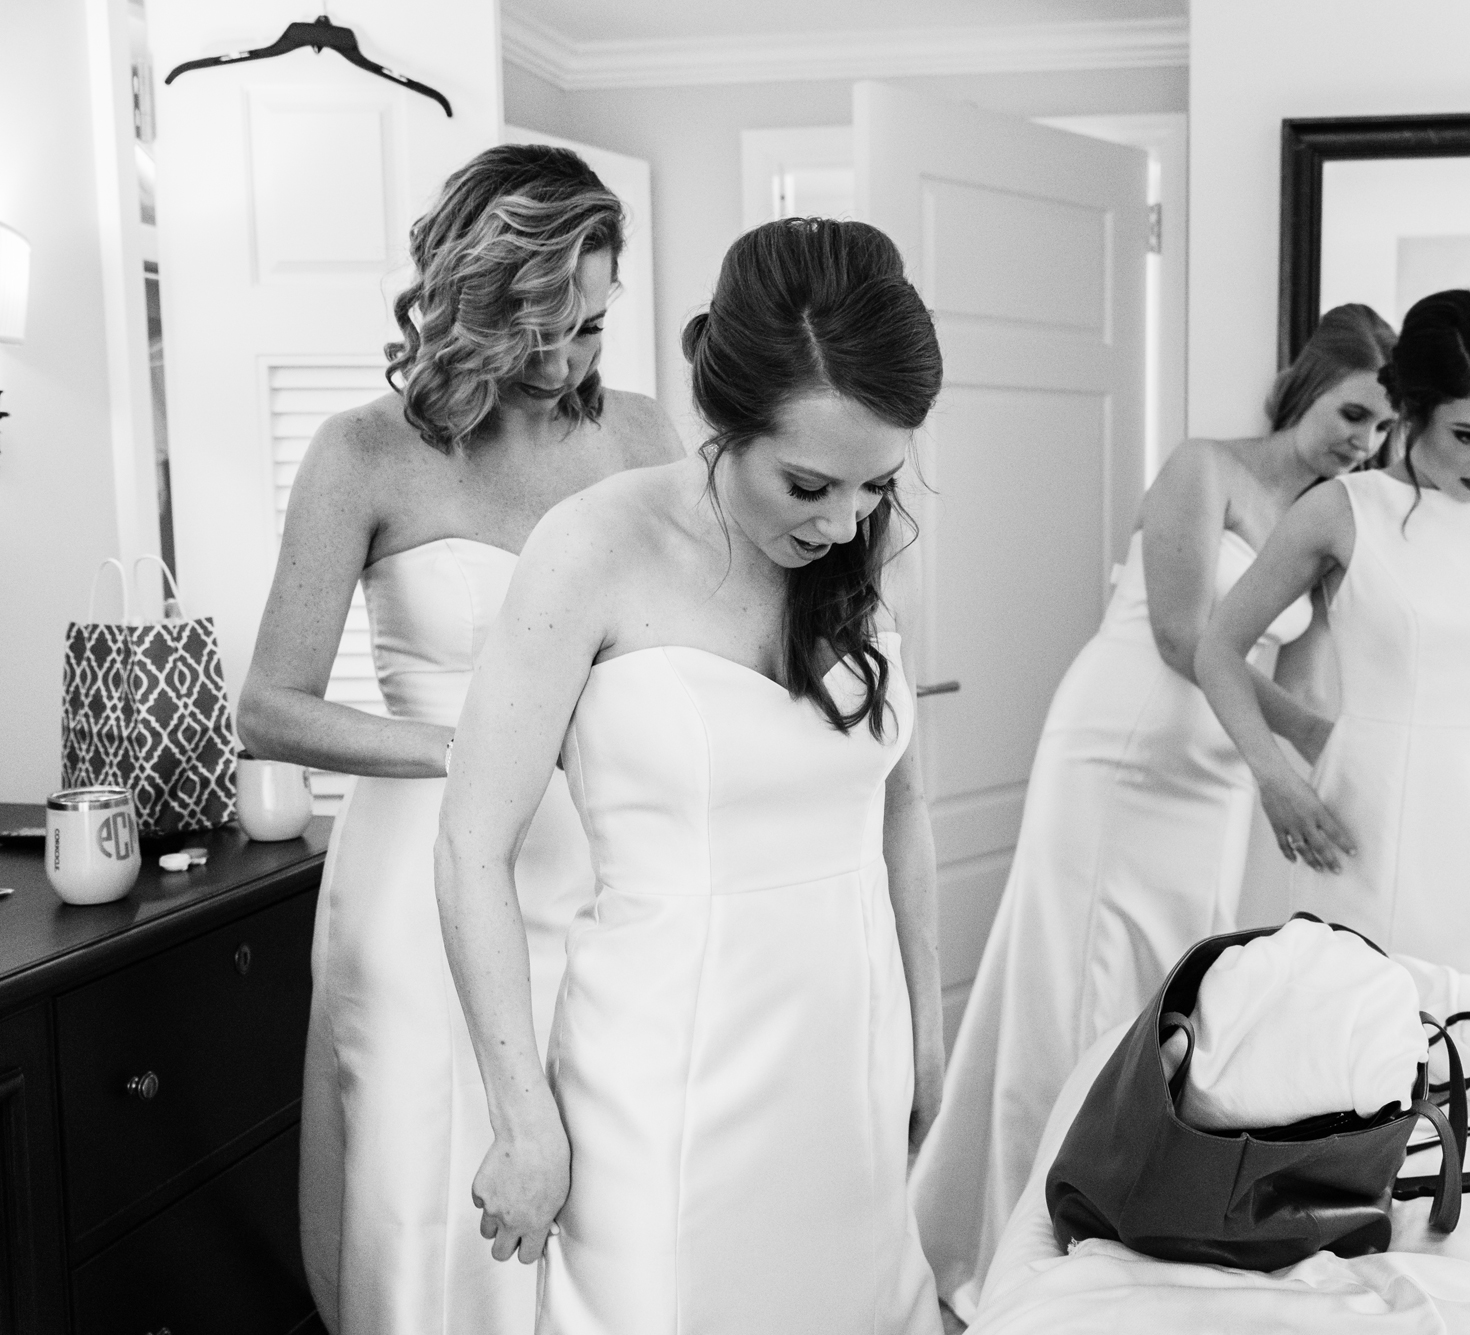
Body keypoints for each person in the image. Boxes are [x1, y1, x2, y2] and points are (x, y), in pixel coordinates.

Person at [432, 217, 946, 1334]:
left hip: (844, 1057)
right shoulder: (590, 549)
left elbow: (899, 801)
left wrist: (926, 1033)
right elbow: (472, 845)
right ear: (724, 418)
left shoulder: (866, 551)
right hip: (666, 1068)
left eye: (873, 484)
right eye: (808, 483)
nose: (844, 520)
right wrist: (525, 1122)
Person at [236, 144, 680, 1334]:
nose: (563, 363)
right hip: (417, 875)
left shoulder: (641, 438)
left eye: (588, 329)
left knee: (600, 1159)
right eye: (538, 330)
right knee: (425, 1177)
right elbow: (267, 705)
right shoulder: (362, 455)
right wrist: (474, 752)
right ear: (471, 305)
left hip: (595, 866)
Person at [910, 305, 1399, 1318]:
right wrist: (1296, 753)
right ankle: (1008, 1252)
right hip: (1117, 757)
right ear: (1309, 381)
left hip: (1218, 783)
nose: (1363, 440)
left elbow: (1299, 667)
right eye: (1354, 411)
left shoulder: (1330, 517)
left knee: (1162, 1000)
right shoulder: (1202, 466)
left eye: (1382, 429)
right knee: (1065, 995)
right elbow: (1186, 638)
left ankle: (1117, 1237)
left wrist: (1311, 762)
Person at [1195, 288, 1470, 976]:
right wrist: (1273, 774)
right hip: (1367, 821)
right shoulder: (1342, 511)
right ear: (1411, 414)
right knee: (1364, 1038)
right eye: (1468, 434)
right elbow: (1217, 647)